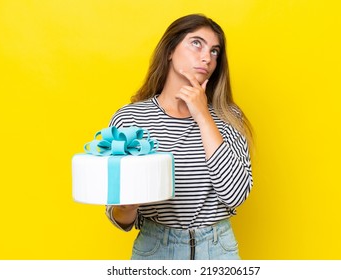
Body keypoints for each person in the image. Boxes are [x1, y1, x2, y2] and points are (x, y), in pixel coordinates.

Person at [105, 13, 254, 260]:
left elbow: (235, 195)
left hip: (218, 250)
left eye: (215, 51)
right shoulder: (130, 119)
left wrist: (203, 115)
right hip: (155, 250)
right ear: (170, 50)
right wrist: (126, 207)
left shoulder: (228, 117)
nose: (207, 57)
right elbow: (119, 216)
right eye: (196, 43)